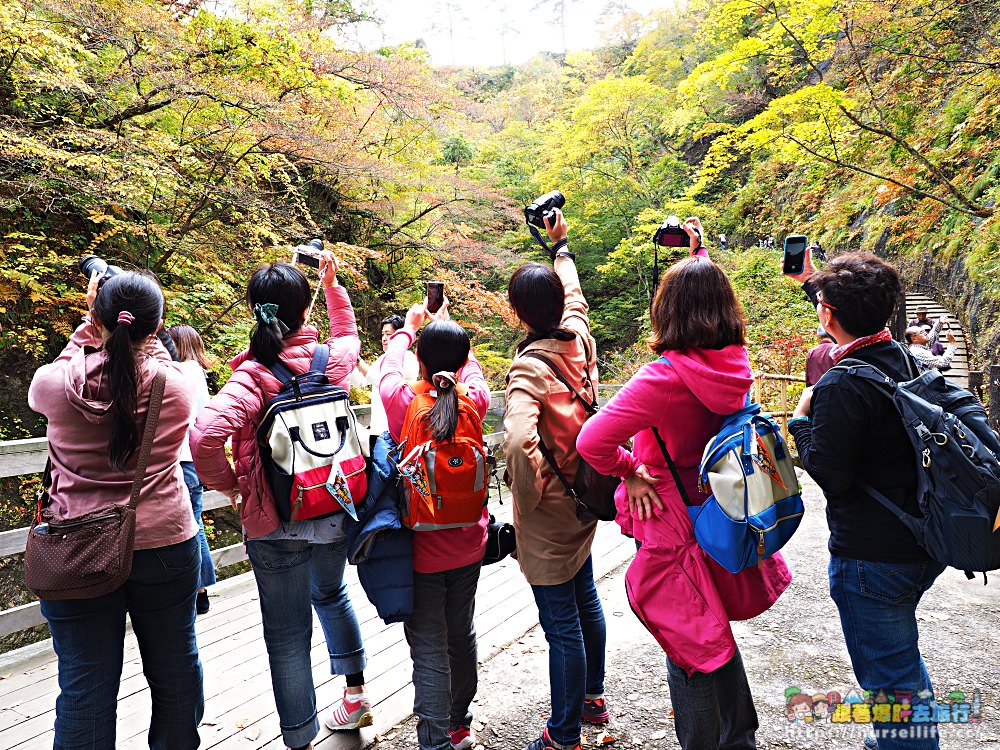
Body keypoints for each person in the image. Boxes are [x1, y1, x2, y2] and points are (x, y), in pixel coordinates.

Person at [577, 218, 791, 750]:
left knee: (690, 646)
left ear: (665, 310)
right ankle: (740, 739)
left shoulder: (664, 378)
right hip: (721, 515)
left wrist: (631, 471)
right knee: (711, 632)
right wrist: (699, 259)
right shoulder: (734, 364)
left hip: (672, 527)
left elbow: (591, 441)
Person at [191, 255, 371, 750]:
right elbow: (349, 331)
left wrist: (233, 486)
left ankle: (300, 740)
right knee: (332, 594)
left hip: (276, 525)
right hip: (335, 509)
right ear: (304, 309)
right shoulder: (330, 361)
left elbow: (204, 434)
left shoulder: (253, 376)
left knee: (288, 636)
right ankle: (355, 697)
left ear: (256, 311)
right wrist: (332, 287)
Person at [28, 269, 204, 749]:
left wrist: (88, 326)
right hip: (164, 542)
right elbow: (157, 362)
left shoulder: (55, 384)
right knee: (175, 669)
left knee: (85, 685)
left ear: (96, 317)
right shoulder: (180, 384)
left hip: (74, 547)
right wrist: (130, 331)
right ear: (158, 325)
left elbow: (64, 368)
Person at [786, 252, 946, 750]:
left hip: (874, 558)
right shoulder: (907, 360)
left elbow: (833, 477)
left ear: (828, 314)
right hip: (924, 538)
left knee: (890, 679)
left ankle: (906, 742)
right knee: (899, 660)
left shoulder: (842, 383)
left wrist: (800, 422)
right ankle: (902, 737)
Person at [502, 208, 609, 750]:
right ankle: (592, 698)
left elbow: (519, 444)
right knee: (585, 594)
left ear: (520, 314)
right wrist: (560, 247)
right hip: (587, 493)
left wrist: (533, 496)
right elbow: (576, 299)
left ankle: (563, 734)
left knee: (561, 621)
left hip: (552, 510)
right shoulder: (579, 342)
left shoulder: (529, 369)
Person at [379, 303, 490, 750]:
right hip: (469, 543)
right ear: (462, 363)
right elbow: (474, 371)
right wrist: (454, 338)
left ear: (420, 361)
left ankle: (434, 739)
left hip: (422, 548)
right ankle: (459, 722)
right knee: (460, 631)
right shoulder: (475, 400)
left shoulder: (403, 400)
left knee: (428, 643)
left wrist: (408, 330)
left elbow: (387, 368)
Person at [167, 324, 216, 615]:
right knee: (195, 523)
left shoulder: (181, 373)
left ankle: (196, 591)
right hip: (194, 460)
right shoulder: (198, 373)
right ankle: (201, 590)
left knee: (189, 526)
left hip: (179, 460)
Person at [351, 314, 420, 452]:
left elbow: (385, 384)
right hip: (376, 429)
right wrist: (348, 360)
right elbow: (360, 382)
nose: (384, 338)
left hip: (394, 432)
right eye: (382, 334)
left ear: (399, 336)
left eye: (388, 334)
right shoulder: (382, 358)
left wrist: (359, 362)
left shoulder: (408, 358)